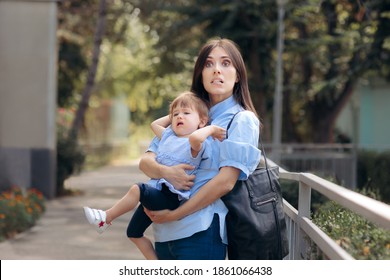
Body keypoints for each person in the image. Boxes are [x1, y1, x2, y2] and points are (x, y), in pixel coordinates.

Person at [139, 38, 262, 260]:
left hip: (200, 231)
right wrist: (167, 172)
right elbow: (147, 161)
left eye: (225, 63)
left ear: (238, 75)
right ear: (200, 74)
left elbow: (225, 182)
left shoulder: (241, 119)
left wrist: (175, 214)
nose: (216, 71)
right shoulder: (187, 113)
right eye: (208, 64)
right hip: (163, 234)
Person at [83, 91, 226, 260]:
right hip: (158, 192)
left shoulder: (196, 144)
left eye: (186, 113)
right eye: (176, 115)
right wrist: (177, 111)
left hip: (170, 196)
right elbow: (154, 124)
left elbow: (196, 137)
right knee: (133, 233)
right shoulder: (168, 136)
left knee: (138, 189)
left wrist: (210, 128)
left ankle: (106, 217)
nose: (180, 117)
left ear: (201, 121)